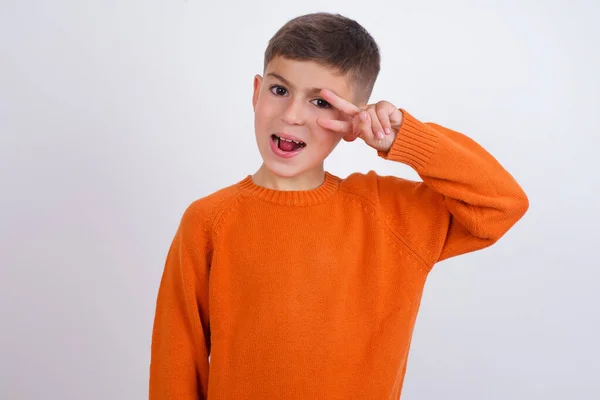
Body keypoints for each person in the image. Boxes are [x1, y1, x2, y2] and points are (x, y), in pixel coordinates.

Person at [149, 12, 529, 400]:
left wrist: (405, 138)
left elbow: (501, 204)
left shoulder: (389, 215)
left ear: (353, 121)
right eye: (279, 91)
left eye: (320, 102)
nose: (292, 115)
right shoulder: (209, 220)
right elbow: (175, 367)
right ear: (256, 92)